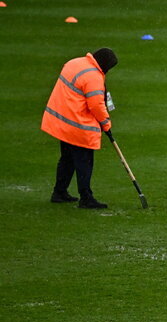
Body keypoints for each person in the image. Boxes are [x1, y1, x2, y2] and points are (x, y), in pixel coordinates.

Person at [41, 48, 118, 209]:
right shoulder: (93, 77)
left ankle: (59, 192)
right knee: (84, 162)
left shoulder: (75, 62)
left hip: (62, 121)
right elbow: (96, 105)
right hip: (77, 125)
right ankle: (86, 197)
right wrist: (106, 124)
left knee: (67, 158)